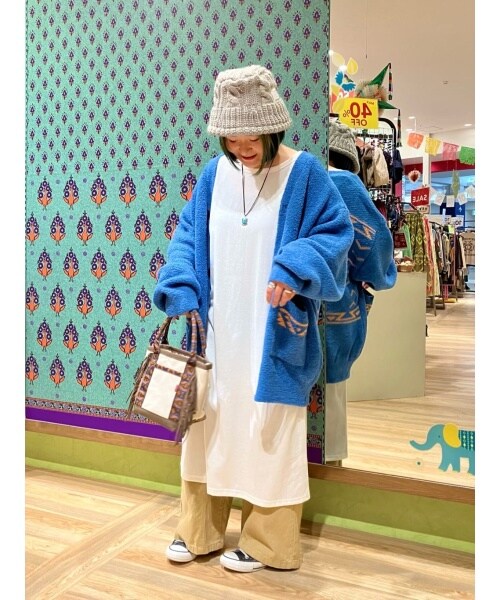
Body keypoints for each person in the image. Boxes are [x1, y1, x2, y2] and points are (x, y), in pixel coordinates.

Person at [153, 65, 354, 573]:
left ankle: (268, 543)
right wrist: (180, 286)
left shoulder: (305, 173)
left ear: (273, 129)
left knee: (269, 431)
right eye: (232, 139)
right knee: (209, 427)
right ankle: (198, 530)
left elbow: (336, 235)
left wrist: (294, 268)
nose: (241, 149)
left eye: (252, 139)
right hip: (216, 331)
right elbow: (186, 238)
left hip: (275, 333)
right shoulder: (212, 176)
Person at [324, 120, 397, 464]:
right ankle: (329, 479)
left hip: (282, 312)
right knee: (330, 410)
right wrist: (379, 279)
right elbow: (376, 243)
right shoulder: (345, 184)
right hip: (334, 313)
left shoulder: (282, 178)